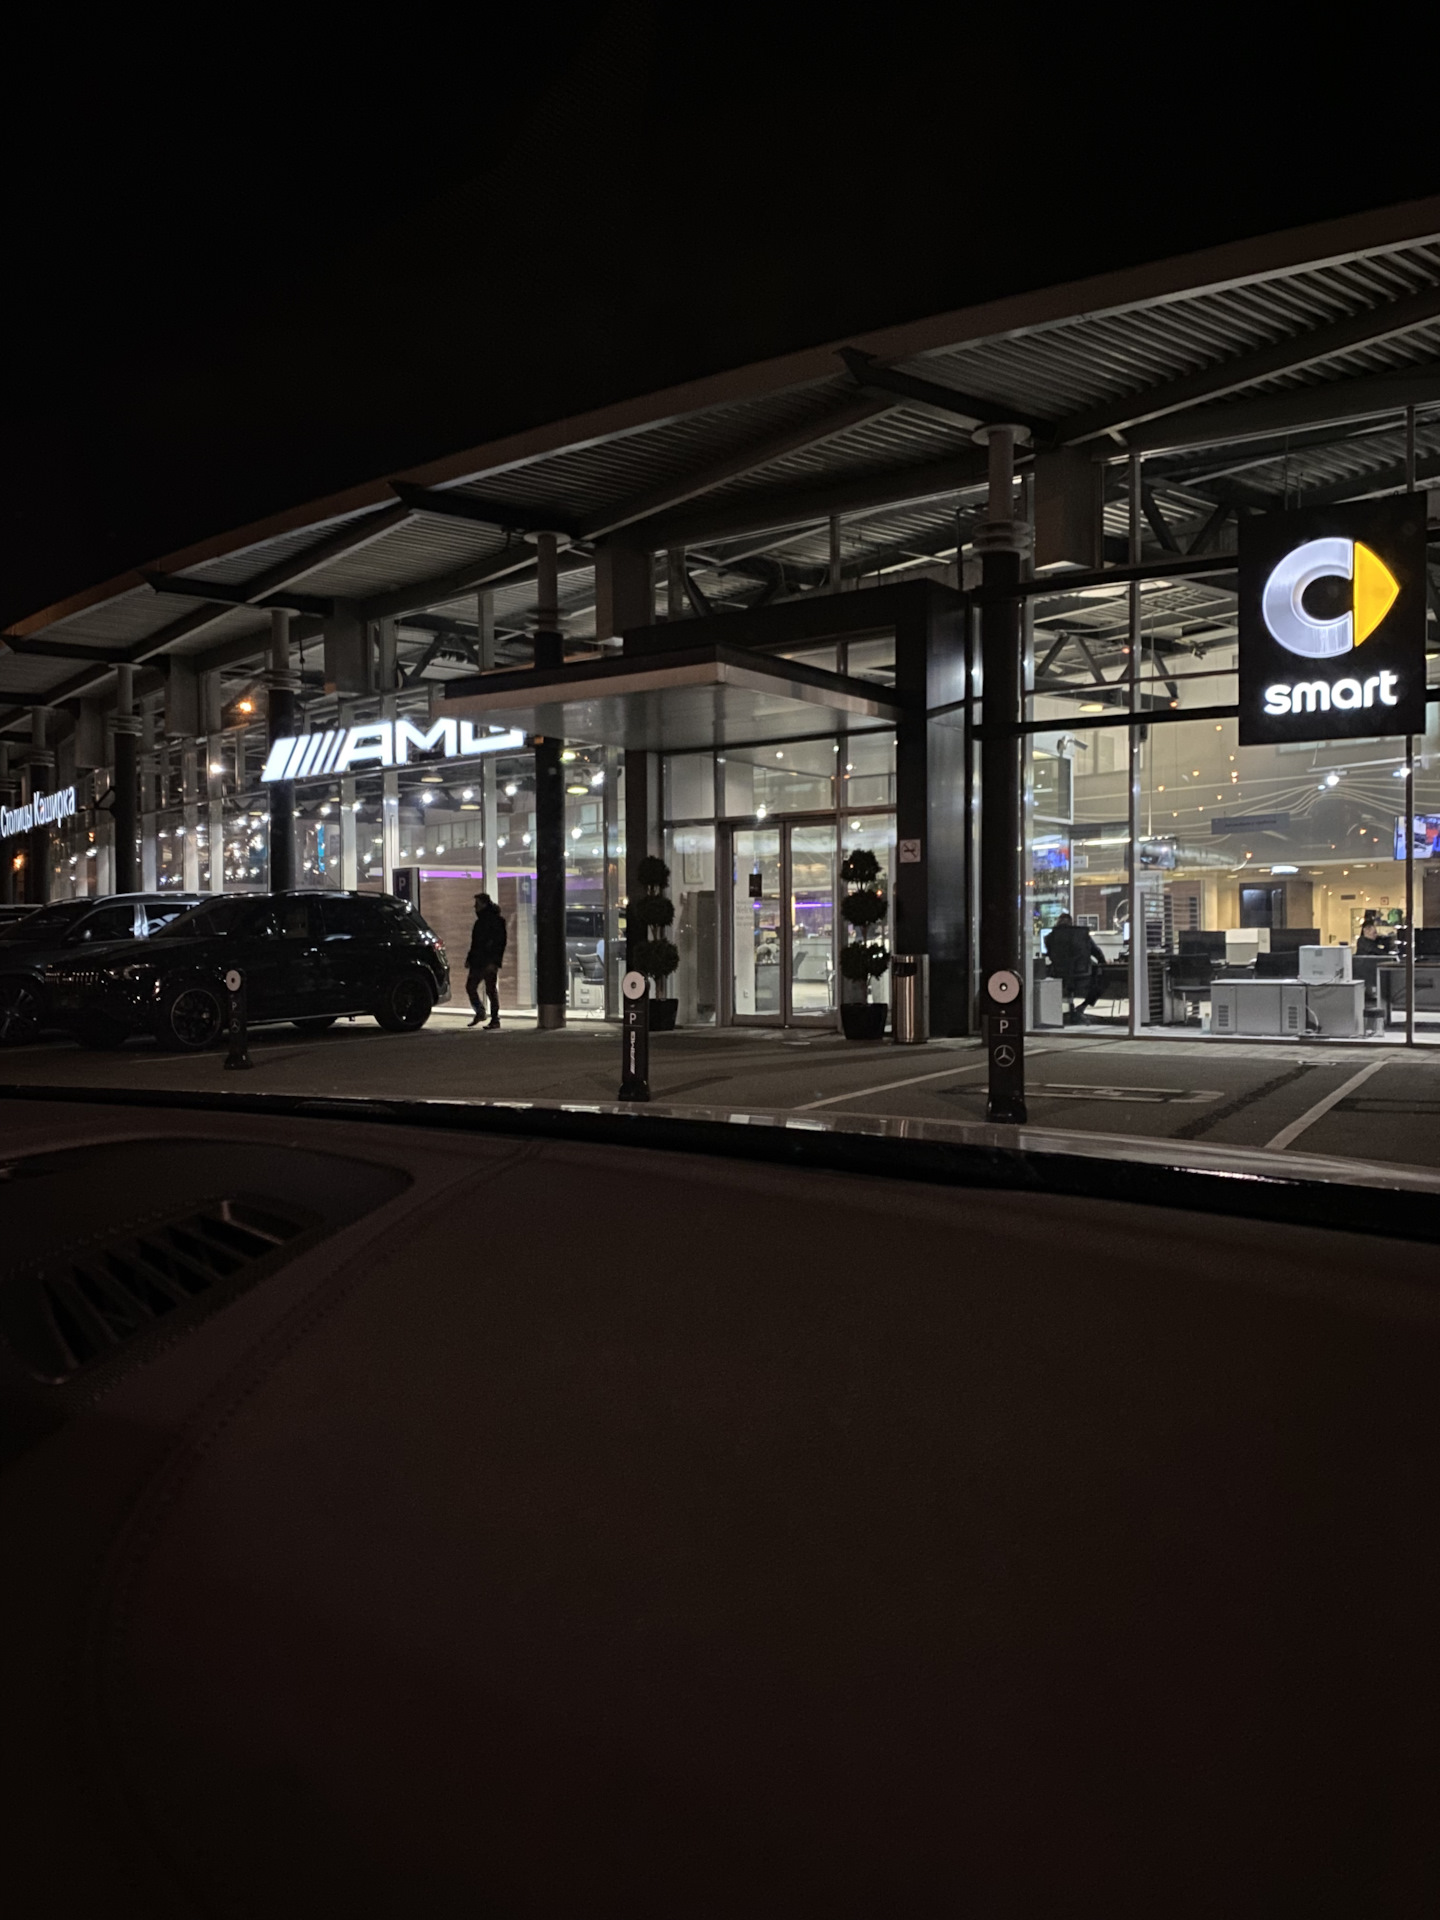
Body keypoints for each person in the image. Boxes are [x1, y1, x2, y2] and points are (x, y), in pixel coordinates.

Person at [1044, 912, 1107, 1024]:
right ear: (1071, 923)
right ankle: (1082, 1007)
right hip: (1083, 977)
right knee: (1104, 979)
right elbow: (1097, 953)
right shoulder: (1082, 936)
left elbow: (1051, 956)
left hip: (1059, 977)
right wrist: (1103, 963)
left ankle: (1056, 1012)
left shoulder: (1049, 938)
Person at [465, 892, 508, 1029]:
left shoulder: (496, 921)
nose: (475, 907)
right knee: (472, 987)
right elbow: (475, 943)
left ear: (484, 904)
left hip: (488, 961)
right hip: (478, 960)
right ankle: (481, 1012)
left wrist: (495, 962)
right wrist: (470, 958)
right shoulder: (480, 922)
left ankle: (494, 1018)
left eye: (477, 904)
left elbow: (500, 944)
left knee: (490, 989)